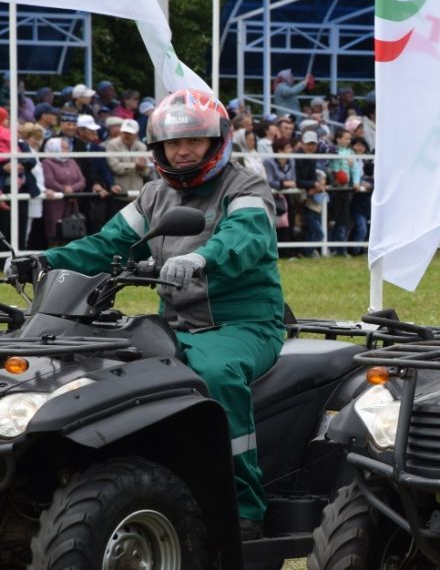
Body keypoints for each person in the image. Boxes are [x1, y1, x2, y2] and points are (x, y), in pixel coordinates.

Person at [11, 89, 284, 540]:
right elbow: (106, 244)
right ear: (157, 149)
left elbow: (245, 236)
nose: (182, 150)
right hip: (174, 326)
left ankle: (244, 507)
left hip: (242, 326)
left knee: (216, 375)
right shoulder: (155, 195)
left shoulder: (245, 186)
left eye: (194, 141)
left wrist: (201, 258)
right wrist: (44, 260)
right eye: (173, 143)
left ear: (217, 142)